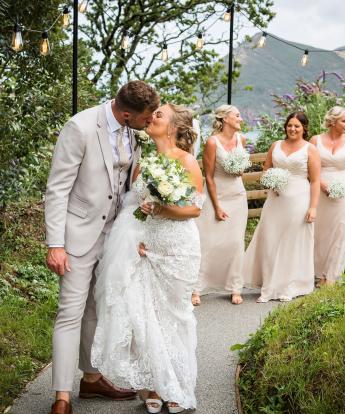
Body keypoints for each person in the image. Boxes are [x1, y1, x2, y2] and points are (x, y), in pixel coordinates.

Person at [45, 80, 160, 414]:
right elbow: (57, 189)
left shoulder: (133, 132)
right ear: (126, 113)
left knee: (96, 310)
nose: (149, 124)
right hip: (78, 235)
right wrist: (56, 243)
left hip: (114, 236)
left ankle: (91, 379)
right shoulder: (79, 128)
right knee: (70, 313)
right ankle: (62, 397)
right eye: (146, 118)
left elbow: (125, 184)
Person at [91, 103, 204, 414]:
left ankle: (178, 384)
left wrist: (163, 208)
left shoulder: (187, 161)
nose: (152, 116)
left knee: (174, 315)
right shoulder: (142, 165)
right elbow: (131, 210)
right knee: (145, 315)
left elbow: (195, 209)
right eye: (152, 113)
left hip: (178, 247)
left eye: (159, 114)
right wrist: (133, 242)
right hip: (147, 248)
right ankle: (154, 385)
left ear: (173, 127)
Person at [243, 112, 320, 302]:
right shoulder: (275, 146)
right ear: (285, 126)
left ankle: (290, 285)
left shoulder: (310, 149)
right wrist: (271, 180)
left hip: (299, 200)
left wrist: (313, 207)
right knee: (271, 239)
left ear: (304, 128)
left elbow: (316, 181)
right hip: (275, 200)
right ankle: (268, 286)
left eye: (297, 126)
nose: (292, 129)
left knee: (292, 243)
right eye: (290, 125)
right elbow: (266, 169)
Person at [192, 105, 248, 306]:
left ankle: (235, 287)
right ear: (225, 119)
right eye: (237, 115)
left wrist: (238, 168)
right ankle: (197, 288)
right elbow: (208, 176)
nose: (240, 119)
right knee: (208, 242)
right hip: (217, 196)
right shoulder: (212, 142)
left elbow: (241, 171)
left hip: (238, 196)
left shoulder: (242, 140)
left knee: (235, 243)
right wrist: (216, 207)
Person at [310, 106, 345, 285]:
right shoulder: (315, 141)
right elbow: (307, 167)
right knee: (320, 232)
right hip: (319, 191)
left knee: (341, 231)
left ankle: (332, 276)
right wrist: (322, 185)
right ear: (333, 122)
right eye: (344, 121)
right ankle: (318, 273)